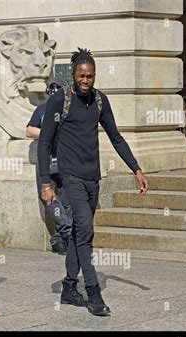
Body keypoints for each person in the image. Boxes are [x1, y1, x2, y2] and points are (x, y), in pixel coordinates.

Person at [38, 48, 148, 316]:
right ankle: (94, 293)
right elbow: (44, 143)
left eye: (90, 76)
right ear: (73, 75)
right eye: (81, 76)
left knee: (79, 232)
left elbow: (116, 137)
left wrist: (136, 169)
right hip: (70, 177)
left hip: (93, 178)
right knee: (86, 230)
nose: (85, 80)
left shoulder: (100, 101)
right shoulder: (60, 100)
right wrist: (45, 183)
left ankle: (68, 287)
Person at [26, 79, 72, 255]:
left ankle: (59, 240)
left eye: (58, 88)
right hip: (46, 161)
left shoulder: (69, 110)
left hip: (66, 161)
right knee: (50, 200)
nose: (54, 91)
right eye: (51, 88)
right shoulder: (42, 109)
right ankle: (68, 231)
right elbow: (30, 130)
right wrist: (49, 132)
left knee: (67, 202)